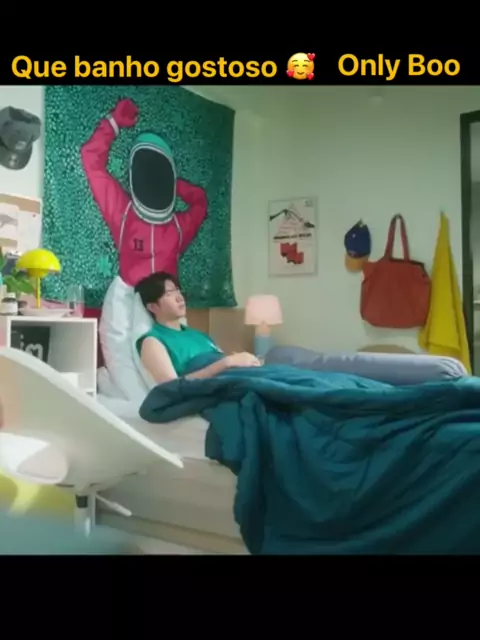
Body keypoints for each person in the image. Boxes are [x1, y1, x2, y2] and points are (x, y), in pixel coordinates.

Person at [135, 272, 260, 384]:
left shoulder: (200, 335)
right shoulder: (153, 341)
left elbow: (223, 360)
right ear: (152, 307)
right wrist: (226, 363)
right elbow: (171, 387)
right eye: (169, 294)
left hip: (234, 378)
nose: (179, 298)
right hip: (214, 389)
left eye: (178, 291)